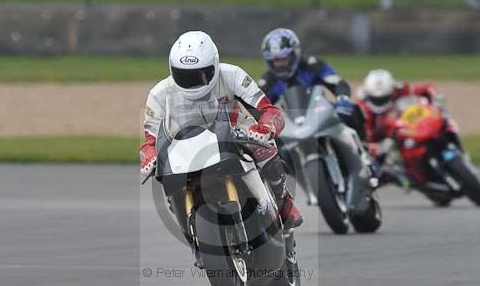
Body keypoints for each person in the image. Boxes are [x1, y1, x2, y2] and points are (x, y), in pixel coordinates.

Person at [140, 30, 302, 228]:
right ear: (173, 70)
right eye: (185, 75)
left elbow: (268, 109)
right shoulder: (159, 94)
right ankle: (191, 230)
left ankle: (282, 201)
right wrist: (149, 154)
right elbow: (150, 137)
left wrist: (266, 127)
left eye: (201, 74)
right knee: (168, 178)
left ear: (214, 65)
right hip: (186, 143)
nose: (194, 81)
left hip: (233, 131)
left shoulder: (233, 75)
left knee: (265, 147)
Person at [258, 28, 367, 141]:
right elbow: (257, 108)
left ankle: (363, 147)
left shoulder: (313, 66)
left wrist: (342, 99)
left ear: (294, 54)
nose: (280, 64)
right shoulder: (266, 82)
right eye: (276, 61)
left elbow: (337, 82)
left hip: (319, 113)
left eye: (284, 59)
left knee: (353, 109)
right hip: (288, 126)